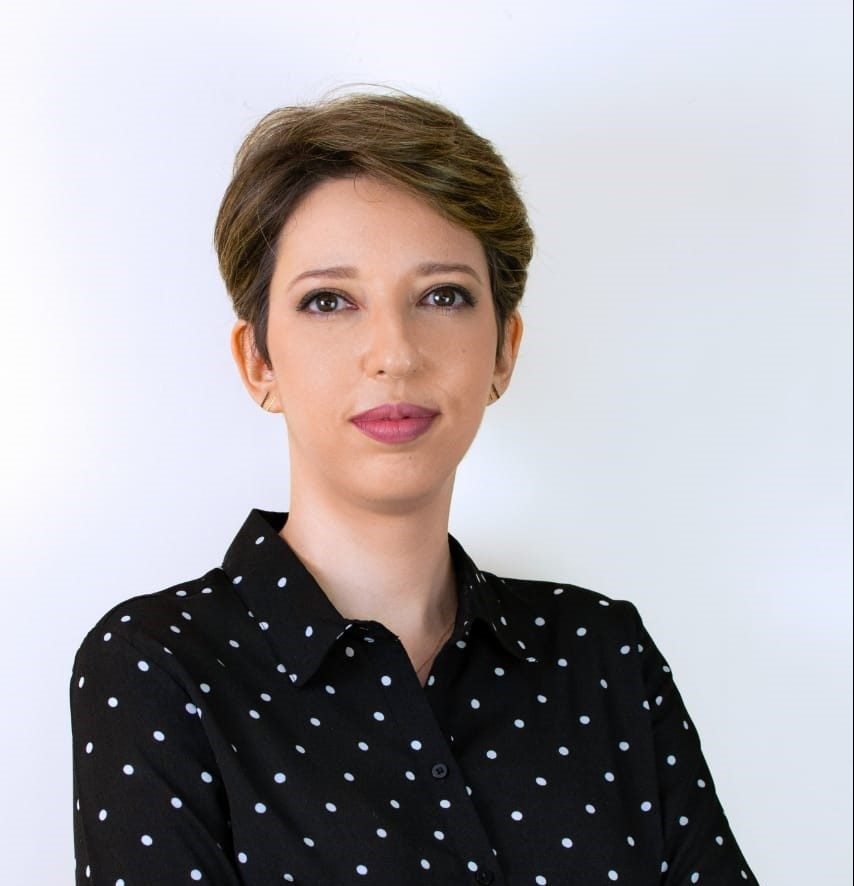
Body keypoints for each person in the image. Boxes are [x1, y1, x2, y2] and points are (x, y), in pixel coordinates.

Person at [70, 92, 758, 885]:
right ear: (259, 361)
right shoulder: (160, 667)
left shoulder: (604, 655)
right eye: (329, 301)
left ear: (503, 350)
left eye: (442, 296)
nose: (393, 353)